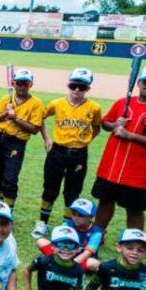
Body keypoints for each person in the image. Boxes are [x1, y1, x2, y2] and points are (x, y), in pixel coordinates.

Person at [91, 64, 146, 232]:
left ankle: (135, 243)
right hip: (110, 168)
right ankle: (96, 237)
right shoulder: (122, 103)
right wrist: (115, 124)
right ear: (138, 83)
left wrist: (130, 136)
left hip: (138, 173)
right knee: (105, 202)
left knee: (134, 209)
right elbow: (105, 123)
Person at [33, 67, 103, 237]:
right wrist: (47, 138)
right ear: (68, 85)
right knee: (50, 189)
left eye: (82, 87)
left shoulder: (94, 107)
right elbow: (40, 118)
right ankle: (42, 222)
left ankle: (67, 224)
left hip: (79, 154)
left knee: (72, 192)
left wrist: (85, 141)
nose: (77, 90)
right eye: (74, 86)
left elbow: (96, 127)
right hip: (57, 151)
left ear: (88, 89)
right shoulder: (57, 104)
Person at [0, 67, 45, 208]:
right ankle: (0, 202)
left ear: (31, 85)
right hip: (0, 138)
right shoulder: (6, 99)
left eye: (25, 84)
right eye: (19, 83)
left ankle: (8, 210)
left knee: (10, 178)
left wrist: (15, 118)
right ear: (13, 84)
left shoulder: (36, 104)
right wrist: (5, 114)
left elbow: (34, 129)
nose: (21, 86)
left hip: (17, 143)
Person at [36, 198, 104, 271]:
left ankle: (61, 265)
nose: (76, 218)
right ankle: (58, 263)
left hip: (81, 257)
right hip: (64, 252)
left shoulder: (96, 232)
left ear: (91, 216)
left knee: (94, 264)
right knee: (41, 241)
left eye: (80, 215)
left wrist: (70, 265)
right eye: (74, 214)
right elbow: (56, 244)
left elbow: (87, 253)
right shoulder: (67, 224)